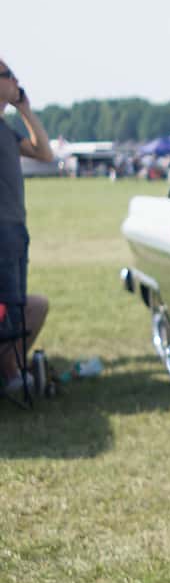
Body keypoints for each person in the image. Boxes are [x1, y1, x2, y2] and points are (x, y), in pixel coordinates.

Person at [1, 53, 55, 399]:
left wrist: (25, 109)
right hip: (3, 232)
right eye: (9, 76)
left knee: (18, 305)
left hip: (14, 230)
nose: (16, 82)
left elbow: (44, 153)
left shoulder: (6, 131)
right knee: (9, 307)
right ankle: (10, 376)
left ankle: (12, 372)